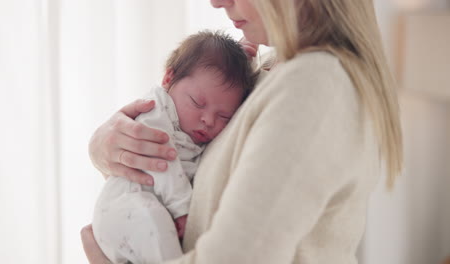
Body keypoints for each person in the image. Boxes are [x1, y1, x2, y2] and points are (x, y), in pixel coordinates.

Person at [82, 0, 403, 263]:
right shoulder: (265, 71)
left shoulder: (314, 83)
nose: (216, 2)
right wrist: (103, 150)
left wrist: (100, 255)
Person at [90, 31, 256, 264]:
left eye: (224, 116)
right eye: (197, 103)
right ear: (168, 79)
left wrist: (241, 59)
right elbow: (161, 162)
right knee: (152, 219)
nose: (209, 120)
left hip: (138, 222)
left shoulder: (192, 131)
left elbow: (219, 85)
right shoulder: (155, 110)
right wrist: (182, 210)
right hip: (124, 206)